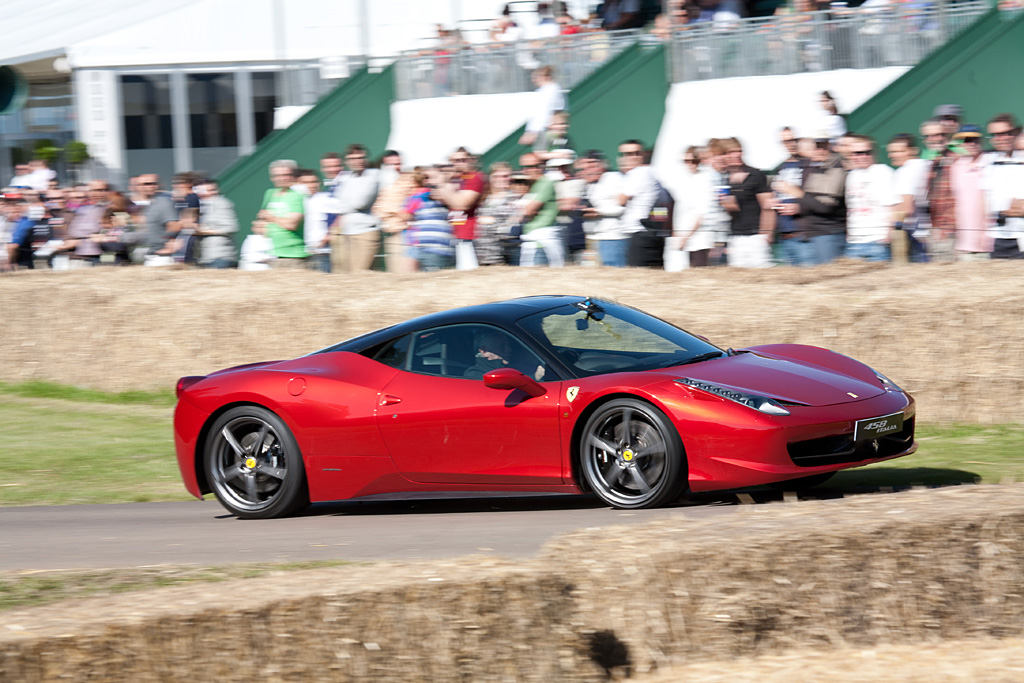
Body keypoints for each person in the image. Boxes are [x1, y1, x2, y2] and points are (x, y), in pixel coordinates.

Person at [775, 138, 847, 264]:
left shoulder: (833, 167)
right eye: (814, 147)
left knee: (827, 277)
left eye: (822, 147)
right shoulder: (809, 168)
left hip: (826, 233)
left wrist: (796, 194)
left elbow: (825, 206)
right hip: (809, 233)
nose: (818, 151)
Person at [720, 138, 775, 268]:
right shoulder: (724, 179)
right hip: (736, 237)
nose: (737, 154)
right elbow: (733, 211)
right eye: (731, 152)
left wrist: (767, 235)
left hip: (756, 237)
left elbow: (768, 207)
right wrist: (727, 205)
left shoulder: (755, 175)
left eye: (739, 151)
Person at [844, 134, 898, 261]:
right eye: (857, 153)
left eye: (866, 152)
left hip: (877, 241)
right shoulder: (852, 175)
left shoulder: (883, 172)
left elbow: (895, 207)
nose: (862, 156)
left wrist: (889, 235)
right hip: (854, 242)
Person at [330, 143, 381, 272]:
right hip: (348, 233)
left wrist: (345, 206)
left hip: (365, 233)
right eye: (353, 158)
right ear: (347, 161)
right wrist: (346, 206)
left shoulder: (373, 176)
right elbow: (338, 204)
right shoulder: (348, 178)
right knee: (348, 276)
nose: (358, 161)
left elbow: (361, 203)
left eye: (361, 157)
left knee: (360, 274)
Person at [434, 147, 487, 269]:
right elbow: (436, 196)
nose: (458, 164)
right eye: (454, 160)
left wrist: (443, 185)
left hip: (468, 235)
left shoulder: (475, 177)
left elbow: (462, 204)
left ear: (470, 160)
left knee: (468, 273)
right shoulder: (454, 179)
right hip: (452, 235)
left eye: (462, 160)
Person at [576, 150, 627, 267]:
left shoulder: (615, 178)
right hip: (591, 238)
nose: (586, 171)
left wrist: (599, 212)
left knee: (614, 276)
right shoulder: (587, 184)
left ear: (602, 165)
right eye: (582, 169)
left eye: (591, 166)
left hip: (612, 238)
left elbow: (625, 208)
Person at [949, 125, 993, 260]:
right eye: (967, 140)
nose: (972, 143)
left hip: (990, 243)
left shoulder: (992, 162)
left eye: (975, 139)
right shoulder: (956, 167)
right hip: (964, 243)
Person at [253, 160, 307, 268]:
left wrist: (271, 218)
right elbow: (259, 224)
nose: (281, 179)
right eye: (277, 175)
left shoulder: (296, 196)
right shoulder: (269, 193)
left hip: (293, 256)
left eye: (285, 175)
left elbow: (292, 225)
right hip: (273, 254)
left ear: (292, 176)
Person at [887, 133, 932, 263]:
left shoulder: (905, 172)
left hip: (915, 235)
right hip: (930, 233)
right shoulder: (927, 165)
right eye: (891, 152)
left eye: (899, 151)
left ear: (913, 150)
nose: (892, 155)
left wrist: (891, 226)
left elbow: (906, 208)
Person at [402, 166, 455, 271]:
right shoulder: (420, 196)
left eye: (432, 177)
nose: (427, 180)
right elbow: (407, 215)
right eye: (425, 177)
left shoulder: (447, 193)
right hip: (416, 247)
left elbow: (446, 199)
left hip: (437, 250)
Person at [773, 128, 812, 266]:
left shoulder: (811, 164)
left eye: (793, 140)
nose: (790, 144)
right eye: (785, 141)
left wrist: (799, 207)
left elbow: (821, 199)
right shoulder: (783, 167)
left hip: (804, 235)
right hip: (785, 235)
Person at [517, 152, 562, 266]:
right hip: (532, 241)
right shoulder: (534, 185)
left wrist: (525, 210)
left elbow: (527, 211)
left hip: (541, 243)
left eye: (531, 166)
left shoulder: (545, 183)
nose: (526, 170)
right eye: (523, 167)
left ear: (539, 167)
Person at [194, 179, 239, 269]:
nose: (209, 193)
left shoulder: (222, 204)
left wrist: (206, 231)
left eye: (212, 190)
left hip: (220, 256)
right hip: (204, 257)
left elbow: (232, 227)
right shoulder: (199, 206)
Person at [518, 66, 566, 148]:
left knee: (545, 152)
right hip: (541, 132)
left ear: (546, 77)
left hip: (544, 132)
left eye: (536, 77)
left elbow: (545, 113)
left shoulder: (552, 90)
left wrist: (534, 132)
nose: (533, 80)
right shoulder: (544, 91)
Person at [295, 169, 332, 272]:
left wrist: (328, 236)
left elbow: (338, 218)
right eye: (305, 183)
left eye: (314, 182)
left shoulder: (326, 199)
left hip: (322, 253)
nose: (311, 185)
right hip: (300, 254)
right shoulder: (295, 200)